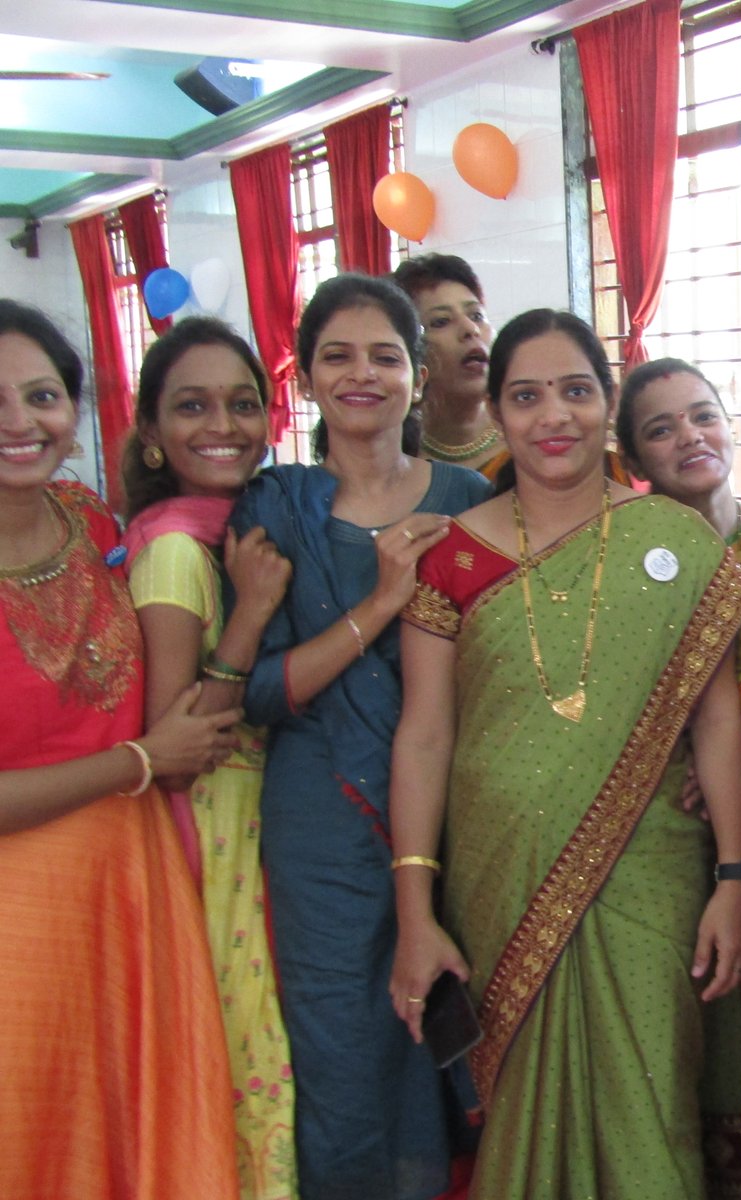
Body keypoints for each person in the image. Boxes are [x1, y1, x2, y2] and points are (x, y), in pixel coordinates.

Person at [386, 309, 741, 1200]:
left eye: (576, 392)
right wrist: (414, 912)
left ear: (608, 404)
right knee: (526, 1115)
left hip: (652, 876)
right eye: (526, 397)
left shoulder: (678, 542)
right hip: (499, 876)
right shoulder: (452, 558)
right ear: (496, 412)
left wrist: (736, 878)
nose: (554, 416)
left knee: (651, 1104)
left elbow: (716, 725)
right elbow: (425, 737)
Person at [231, 274, 493, 1200]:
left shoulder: (469, 496)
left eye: (385, 356)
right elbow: (258, 691)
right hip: (324, 827)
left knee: (461, 1034)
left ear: (417, 375)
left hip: (460, 807)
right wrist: (382, 603)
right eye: (336, 356)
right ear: (305, 378)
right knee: (343, 1042)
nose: (362, 375)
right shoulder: (278, 505)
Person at [0, 300, 241, 1198]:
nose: (21, 423)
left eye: (41, 396)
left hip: (134, 885)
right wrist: (140, 761)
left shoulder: (92, 523)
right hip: (22, 915)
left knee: (138, 1129)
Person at [122, 317, 297, 1200]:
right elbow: (175, 748)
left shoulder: (250, 526)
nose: (223, 426)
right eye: (192, 407)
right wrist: (251, 614)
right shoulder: (174, 553)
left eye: (241, 403)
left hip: (264, 815)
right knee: (246, 1047)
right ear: (152, 432)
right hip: (212, 830)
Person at [616, 356, 741, 566]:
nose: (691, 437)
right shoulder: (621, 560)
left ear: (730, 427)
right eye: (661, 431)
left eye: (704, 417)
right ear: (633, 462)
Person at [392, 253, 507, 478]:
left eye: (476, 315)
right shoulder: (396, 459)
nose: (470, 329)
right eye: (441, 321)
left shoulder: (526, 441)